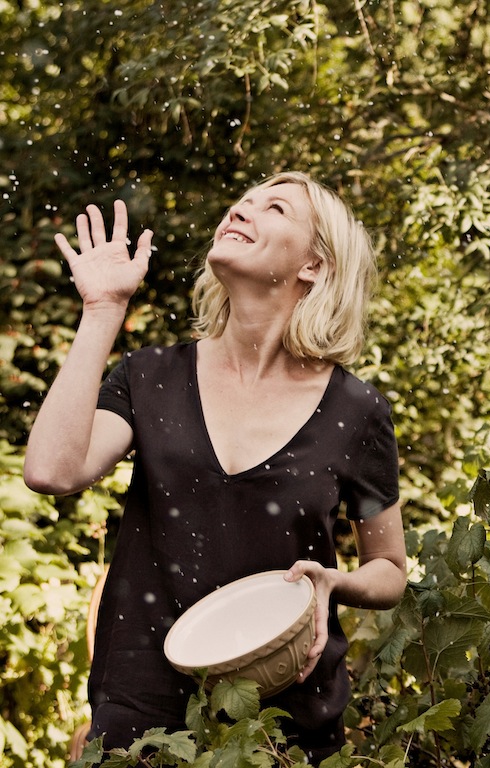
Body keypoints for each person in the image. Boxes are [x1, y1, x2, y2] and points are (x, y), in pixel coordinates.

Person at [23, 173, 406, 761]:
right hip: (141, 717)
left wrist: (335, 583)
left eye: (274, 207)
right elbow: (52, 471)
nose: (241, 209)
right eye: (243, 200)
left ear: (314, 264)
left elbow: (389, 568)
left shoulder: (355, 412)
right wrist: (103, 310)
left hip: (282, 725)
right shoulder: (150, 378)